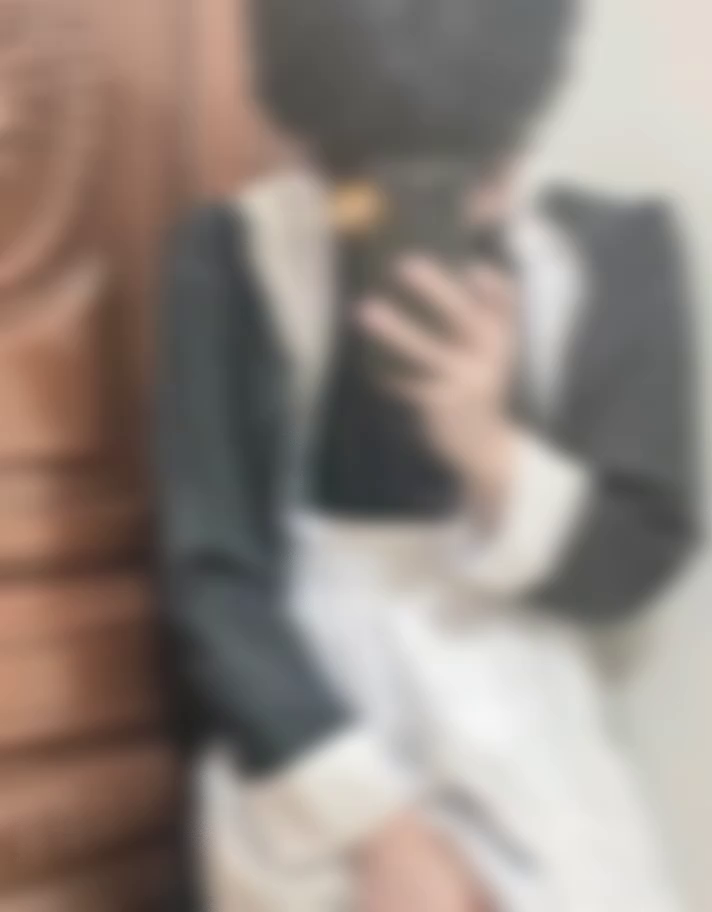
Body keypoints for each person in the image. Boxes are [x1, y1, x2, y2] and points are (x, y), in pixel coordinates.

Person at [156, 1, 699, 910]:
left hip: (528, 736)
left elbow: (633, 562)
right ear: (308, 147)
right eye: (362, 185)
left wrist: (489, 450)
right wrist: (380, 831)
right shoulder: (235, 253)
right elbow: (216, 578)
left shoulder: (613, 252)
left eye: (470, 177)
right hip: (311, 747)